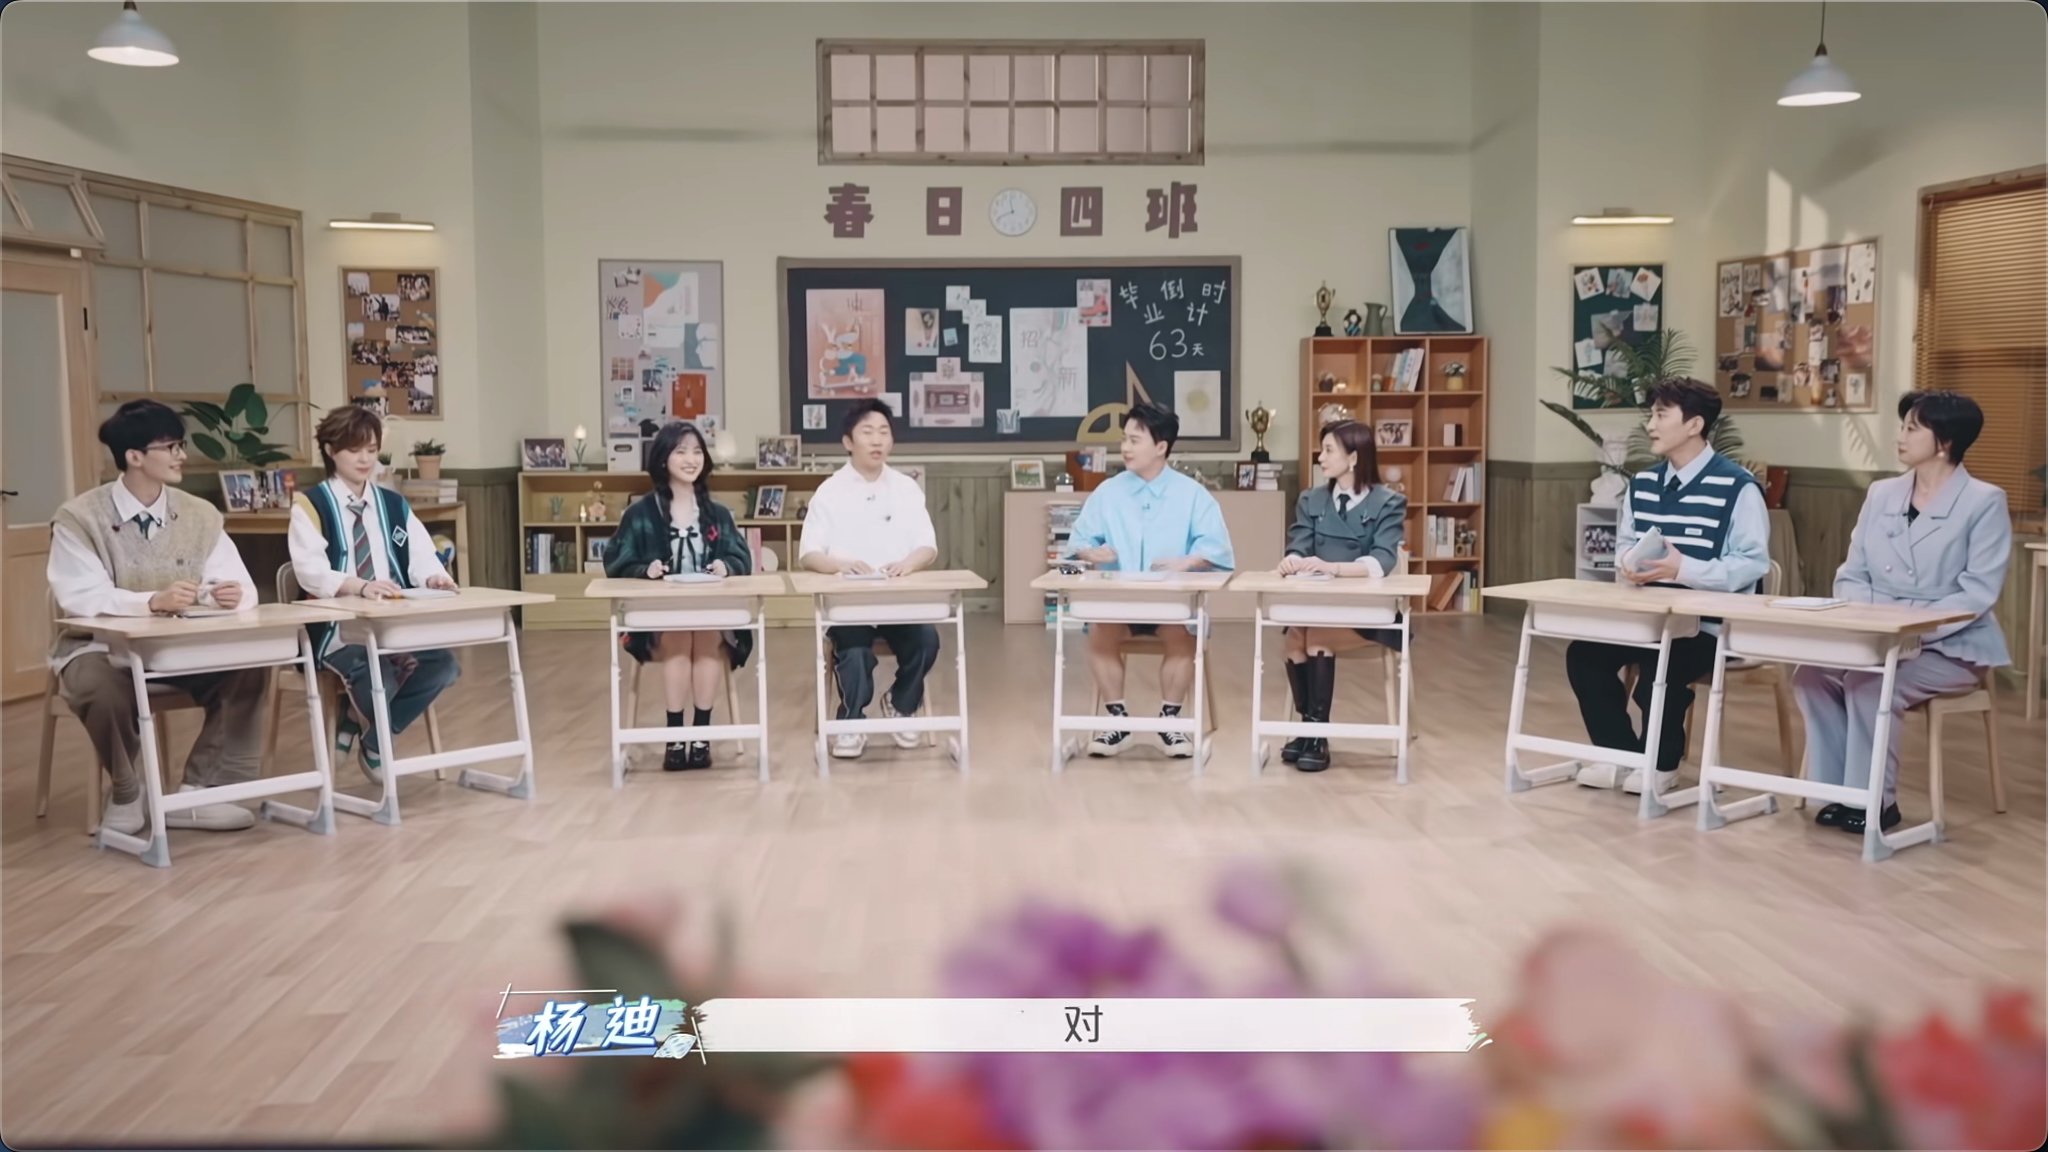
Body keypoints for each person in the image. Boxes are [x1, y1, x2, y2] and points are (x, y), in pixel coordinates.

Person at [1794, 391, 2011, 835]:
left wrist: (1909, 630)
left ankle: (1876, 801)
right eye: (1903, 426)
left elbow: (1977, 593)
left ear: (1945, 441)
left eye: (1913, 428)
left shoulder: (1984, 501)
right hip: (1874, 635)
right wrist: (1874, 623)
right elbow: (1851, 573)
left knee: (1871, 684)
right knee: (1810, 675)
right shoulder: (1881, 493)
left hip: (1950, 646)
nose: (1901, 436)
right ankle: (1832, 793)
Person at [47, 399, 265, 835]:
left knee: (251, 666)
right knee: (95, 686)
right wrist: (150, 602)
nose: (182, 455)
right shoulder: (79, 518)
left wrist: (230, 595)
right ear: (134, 456)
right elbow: (80, 597)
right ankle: (128, 791)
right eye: (171, 447)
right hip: (100, 647)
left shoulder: (201, 515)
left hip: (180, 646)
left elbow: (245, 589)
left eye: (181, 445)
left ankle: (200, 794)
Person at [1565, 377, 1770, 796]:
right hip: (1648, 620)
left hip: (1709, 628)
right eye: (1652, 414)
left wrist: (1683, 570)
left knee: (1663, 665)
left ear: (1694, 425)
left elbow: (1752, 564)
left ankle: (1662, 762)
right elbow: (1625, 546)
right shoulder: (1642, 485)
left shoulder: (1739, 487)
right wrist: (1629, 565)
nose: (1650, 425)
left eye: (1661, 415)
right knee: (1584, 656)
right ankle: (1620, 754)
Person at [288, 406, 460, 784]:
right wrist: (359, 586)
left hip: (394, 625)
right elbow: (310, 572)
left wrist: (434, 578)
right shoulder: (311, 505)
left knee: (443, 665)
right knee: (379, 671)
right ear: (330, 451)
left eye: (371, 450)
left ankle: (369, 735)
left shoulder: (393, 505)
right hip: (336, 628)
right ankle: (368, 730)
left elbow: (421, 556)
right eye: (354, 450)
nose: (365, 459)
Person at [1064, 403, 1236, 758]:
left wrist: (1189, 560)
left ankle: (1170, 722)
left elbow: (1217, 550)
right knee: (1099, 631)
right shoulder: (1108, 492)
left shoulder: (1193, 495)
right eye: (1124, 439)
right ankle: (1118, 721)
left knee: (1182, 633)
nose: (1125, 448)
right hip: (1118, 605)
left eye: (1134, 440)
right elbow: (1077, 545)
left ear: (1161, 447)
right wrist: (1090, 554)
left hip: (1171, 606)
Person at [604, 421, 755, 771]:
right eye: (681, 451)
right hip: (657, 618)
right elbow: (615, 560)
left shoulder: (717, 514)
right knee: (677, 636)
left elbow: (742, 557)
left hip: (710, 614)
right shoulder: (640, 513)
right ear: (663, 459)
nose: (691, 459)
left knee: (706, 637)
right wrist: (646, 570)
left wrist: (726, 566)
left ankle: (700, 736)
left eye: (697, 451)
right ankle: (675, 736)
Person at [797, 399, 942, 760]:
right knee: (855, 651)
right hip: (849, 603)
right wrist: (840, 565)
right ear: (848, 441)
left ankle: (901, 704)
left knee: (927, 640)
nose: (877, 440)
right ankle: (851, 722)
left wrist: (908, 563)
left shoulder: (906, 488)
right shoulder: (830, 490)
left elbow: (928, 546)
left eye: (883, 432)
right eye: (867, 432)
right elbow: (809, 554)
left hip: (897, 600)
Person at [1274, 419, 1408, 772]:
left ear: (1354, 458)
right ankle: (1310, 732)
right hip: (1317, 606)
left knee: (1316, 636)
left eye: (1328, 450)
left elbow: (1382, 560)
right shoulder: (1311, 499)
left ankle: (1316, 734)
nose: (1320, 458)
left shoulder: (1388, 502)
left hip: (1369, 613)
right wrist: (1293, 559)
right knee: (1293, 640)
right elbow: (1300, 542)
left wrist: (1333, 568)